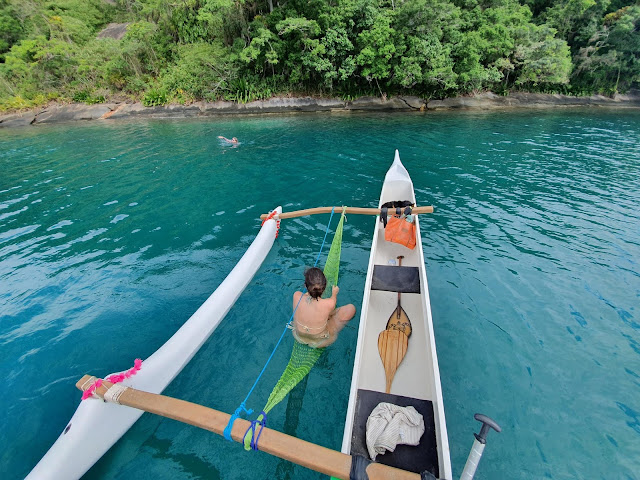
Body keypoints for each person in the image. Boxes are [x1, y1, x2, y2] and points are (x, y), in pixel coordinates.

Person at [292, 267, 356, 348]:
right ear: (324, 287)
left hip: (298, 336)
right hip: (319, 341)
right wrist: (334, 293)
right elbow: (333, 302)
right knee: (351, 309)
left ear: (305, 285)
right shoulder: (329, 303)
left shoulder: (296, 295)